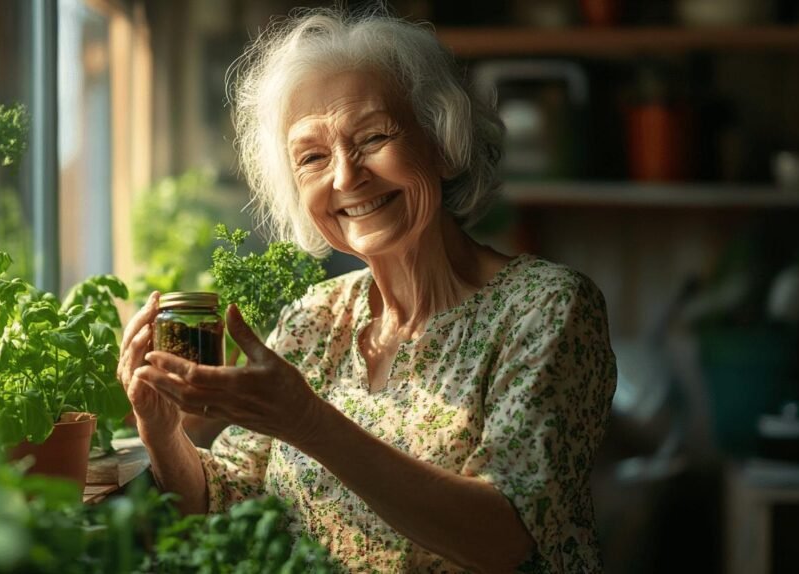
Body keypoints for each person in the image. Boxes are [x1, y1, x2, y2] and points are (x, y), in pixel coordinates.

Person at [117, 7, 616, 572]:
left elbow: (503, 539)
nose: (346, 177)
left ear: (444, 142)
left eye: (374, 136)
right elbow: (226, 504)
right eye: (312, 157)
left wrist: (308, 421)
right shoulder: (315, 317)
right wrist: (160, 432)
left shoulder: (546, 308)